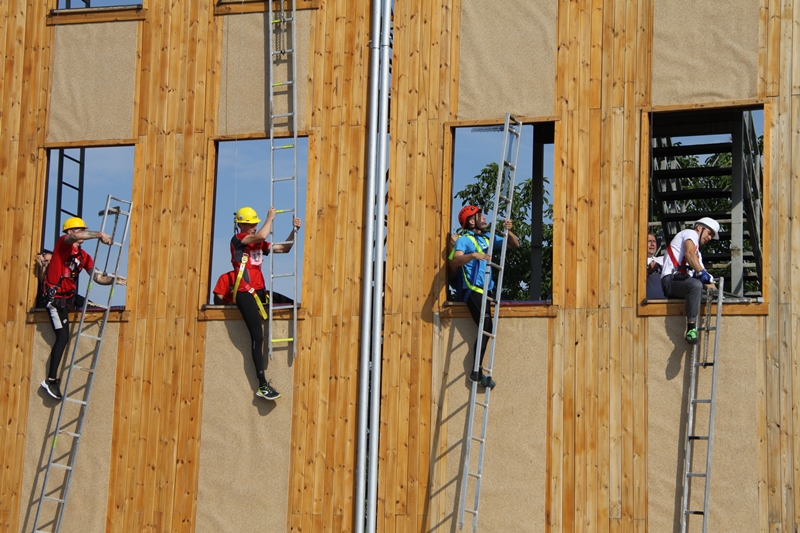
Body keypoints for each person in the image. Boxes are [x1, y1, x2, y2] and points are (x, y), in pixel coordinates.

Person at [41, 217, 126, 400]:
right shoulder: (63, 244)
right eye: (80, 230)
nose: (82, 234)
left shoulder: (83, 256)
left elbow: (97, 278)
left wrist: (114, 280)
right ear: (70, 232)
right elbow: (73, 238)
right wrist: (99, 235)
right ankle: (50, 380)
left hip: (70, 297)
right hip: (55, 300)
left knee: (96, 307)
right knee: (62, 336)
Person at [230, 206, 302, 401]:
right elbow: (261, 235)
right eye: (251, 224)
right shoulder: (238, 240)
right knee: (257, 335)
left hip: (260, 292)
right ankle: (262, 384)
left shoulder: (258, 244)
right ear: (242, 225)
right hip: (245, 293)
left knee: (294, 305)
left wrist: (294, 231)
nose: (254, 226)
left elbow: (284, 249)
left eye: (256, 223)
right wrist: (270, 218)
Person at [449, 205, 519, 389]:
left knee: (486, 328)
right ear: (471, 221)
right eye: (480, 216)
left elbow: (514, 244)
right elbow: (455, 260)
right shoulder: (464, 240)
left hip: (487, 291)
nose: (485, 218)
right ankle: (476, 372)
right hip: (473, 290)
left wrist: (508, 231)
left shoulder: (487, 238)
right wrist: (473, 255)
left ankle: (477, 371)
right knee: (486, 327)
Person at [660, 217, 719, 345]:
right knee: (696, 285)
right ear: (699, 228)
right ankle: (691, 329)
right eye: (709, 233)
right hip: (670, 280)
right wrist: (701, 273)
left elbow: (705, 278)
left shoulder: (698, 254)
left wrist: (717, 293)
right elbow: (689, 254)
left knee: (705, 293)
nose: (709, 238)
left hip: (682, 282)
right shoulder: (690, 233)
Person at [213, 271, 294, 306]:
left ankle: (294, 304)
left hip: (253, 304)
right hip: (234, 310)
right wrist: (229, 305)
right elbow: (218, 299)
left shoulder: (254, 276)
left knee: (268, 295)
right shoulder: (226, 277)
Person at [646, 231, 665, 299]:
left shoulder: (662, 259)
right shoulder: (638, 262)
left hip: (665, 302)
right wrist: (649, 271)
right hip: (648, 302)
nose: (652, 244)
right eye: (649, 241)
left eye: (654, 241)